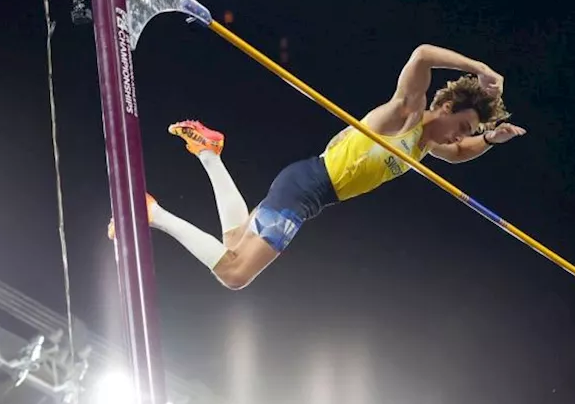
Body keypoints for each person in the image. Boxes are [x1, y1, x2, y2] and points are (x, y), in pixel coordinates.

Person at [108, 44, 526, 289]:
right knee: (234, 274)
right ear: (447, 106)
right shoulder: (409, 113)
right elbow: (421, 57)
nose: (459, 137)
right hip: (306, 188)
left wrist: (489, 139)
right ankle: (153, 213)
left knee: (234, 241)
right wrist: (481, 70)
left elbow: (460, 153)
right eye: (463, 126)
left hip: (307, 188)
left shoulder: (426, 148)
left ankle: (209, 153)